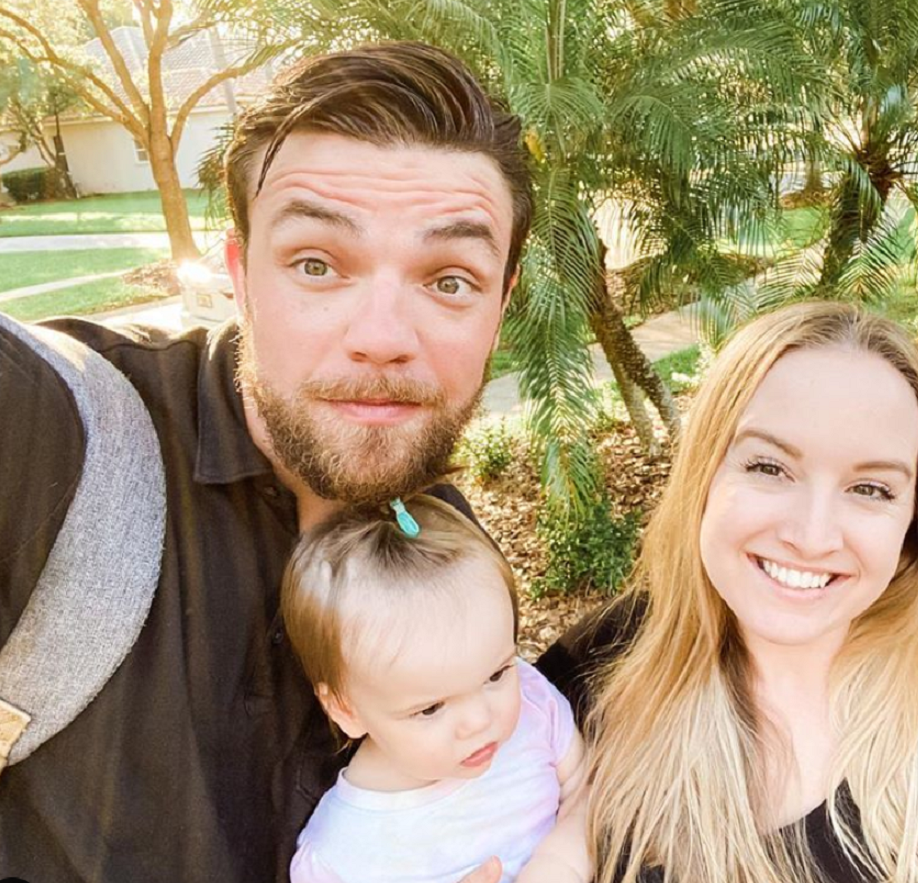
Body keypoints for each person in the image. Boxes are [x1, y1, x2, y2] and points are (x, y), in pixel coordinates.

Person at [0, 42, 531, 883]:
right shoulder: (58, 435)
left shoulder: (440, 539)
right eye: (317, 264)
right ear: (243, 278)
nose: (384, 338)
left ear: (500, 308)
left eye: (450, 279)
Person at [536, 301, 918, 883]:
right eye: (770, 468)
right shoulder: (590, 676)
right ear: (704, 473)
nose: (811, 536)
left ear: (914, 517)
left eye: (871, 488)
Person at [282, 496, 589, 883]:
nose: (480, 720)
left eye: (495, 675)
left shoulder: (533, 705)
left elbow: (586, 786)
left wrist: (561, 864)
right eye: (430, 708)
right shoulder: (340, 858)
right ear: (346, 709)